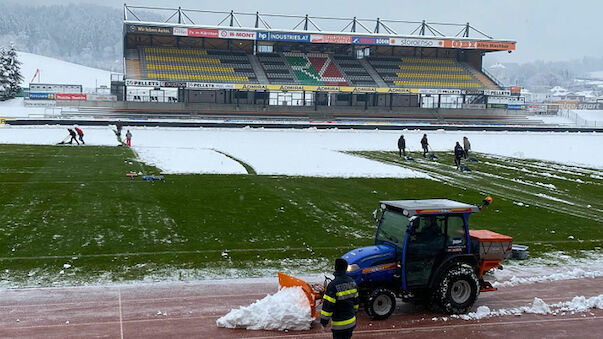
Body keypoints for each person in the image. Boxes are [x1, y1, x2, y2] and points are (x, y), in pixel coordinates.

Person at [320, 258, 358, 339]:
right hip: (351, 323)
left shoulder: (333, 285)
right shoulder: (352, 282)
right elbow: (356, 302)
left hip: (339, 326)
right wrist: (354, 313)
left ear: (336, 268)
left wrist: (324, 321)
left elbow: (328, 306)